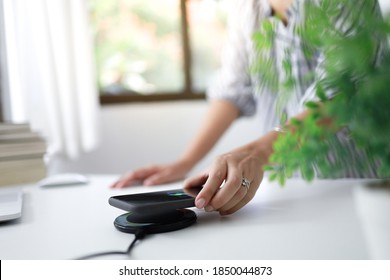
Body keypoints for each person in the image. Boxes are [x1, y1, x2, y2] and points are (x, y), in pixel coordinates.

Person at [112, 0, 385, 215]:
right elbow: (233, 90)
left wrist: (255, 152)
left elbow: (338, 99)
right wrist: (185, 162)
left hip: (354, 184)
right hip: (286, 184)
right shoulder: (247, 7)